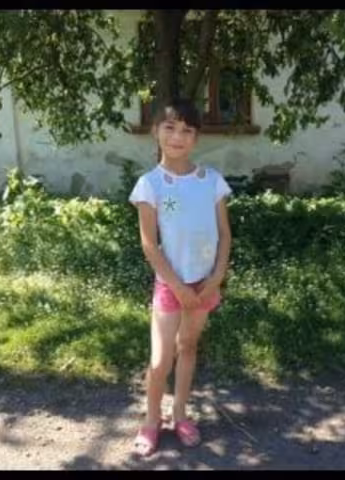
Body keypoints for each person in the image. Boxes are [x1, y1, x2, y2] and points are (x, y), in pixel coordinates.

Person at [129, 97, 232, 456]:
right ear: (155, 131)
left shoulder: (212, 181)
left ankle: (180, 414)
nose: (178, 137)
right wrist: (177, 286)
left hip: (205, 285)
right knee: (161, 360)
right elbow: (149, 244)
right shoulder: (151, 185)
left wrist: (217, 275)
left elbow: (225, 234)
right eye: (170, 128)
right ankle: (151, 420)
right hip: (170, 286)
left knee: (188, 347)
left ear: (196, 138)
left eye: (187, 130)